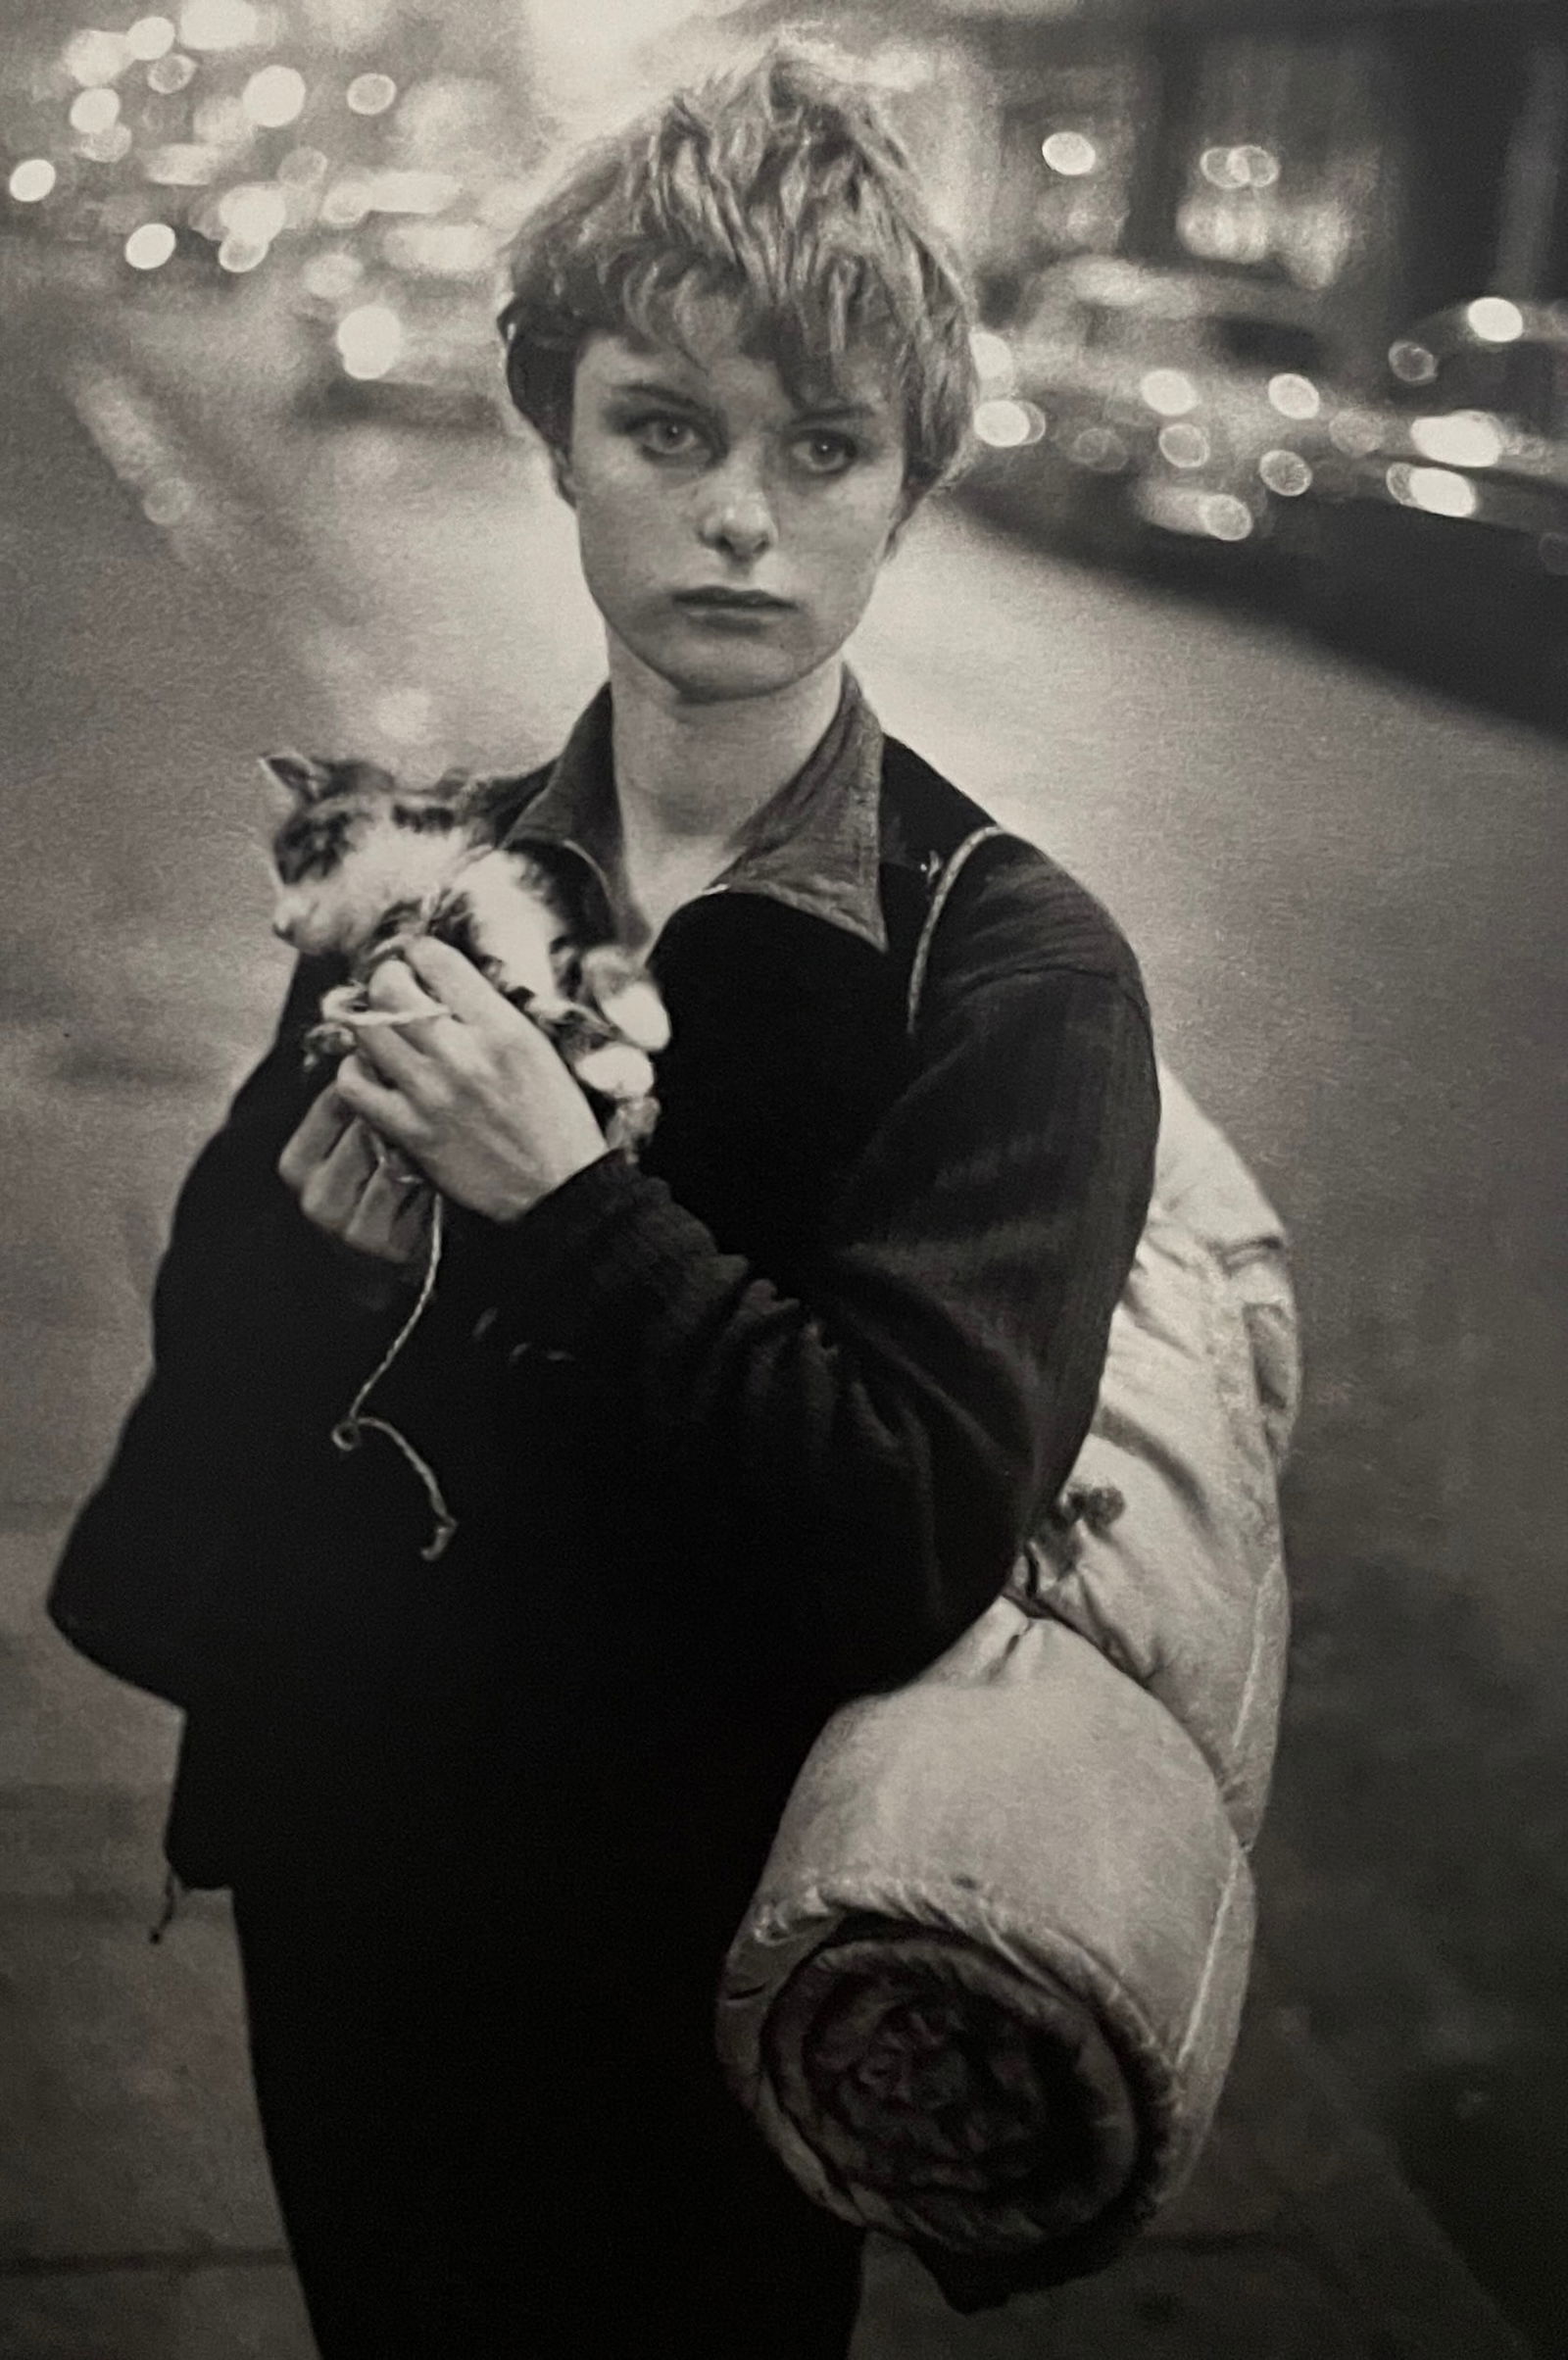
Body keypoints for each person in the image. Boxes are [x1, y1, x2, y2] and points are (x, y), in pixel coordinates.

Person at [49, 43, 1160, 2359]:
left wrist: (569, 1202)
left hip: (713, 1964)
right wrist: (308, 1243)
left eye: (819, 449)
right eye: (669, 430)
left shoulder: (1009, 969)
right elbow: (216, 1352)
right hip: (353, 1880)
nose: (741, 514)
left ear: (902, 491)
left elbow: (907, 1529)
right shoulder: (426, 860)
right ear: (554, 433)